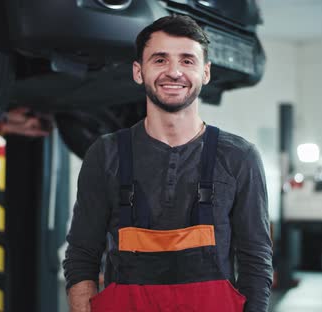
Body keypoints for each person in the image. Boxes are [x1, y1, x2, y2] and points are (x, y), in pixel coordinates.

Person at [63, 15, 272, 312]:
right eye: (160, 60)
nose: (174, 72)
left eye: (187, 61)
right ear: (138, 71)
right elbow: (82, 255)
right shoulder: (105, 154)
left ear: (206, 72)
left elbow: (256, 263)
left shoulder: (239, 157)